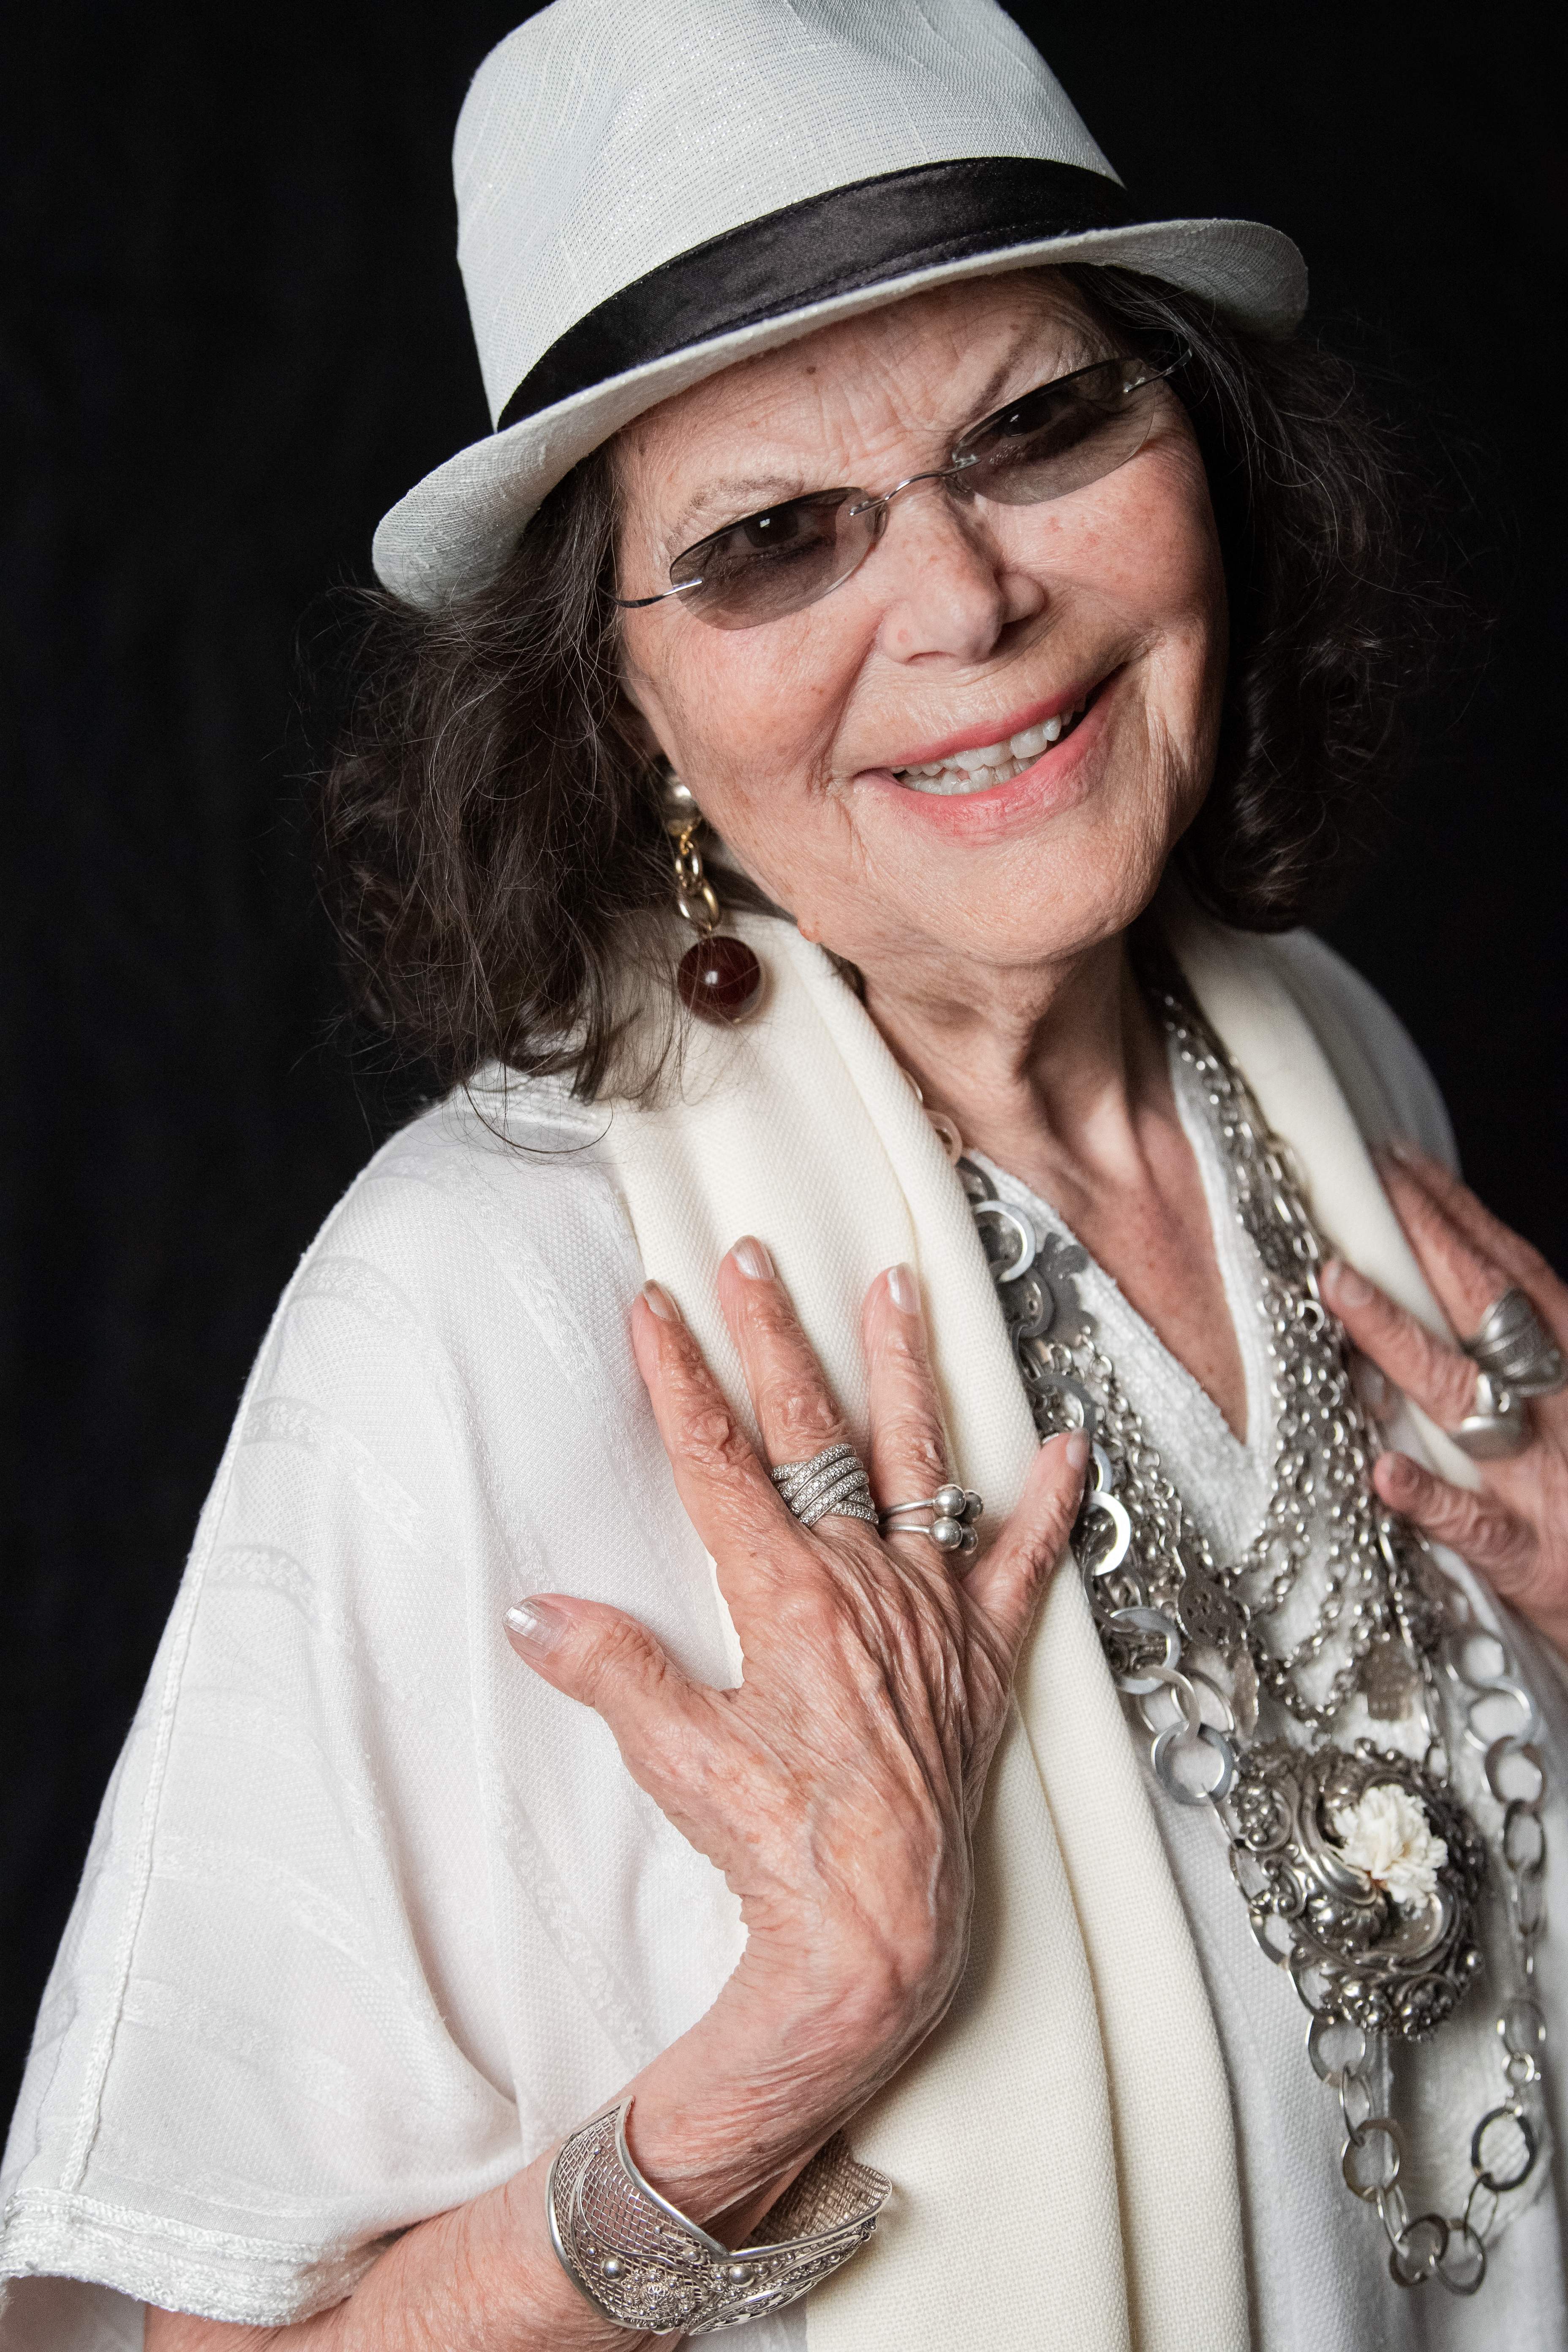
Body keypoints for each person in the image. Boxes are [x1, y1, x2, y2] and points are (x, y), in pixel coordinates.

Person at [4, 2, 1566, 2346]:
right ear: (613, 699)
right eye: (768, 542)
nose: (957, 605)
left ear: (1208, 458)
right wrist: (797, 2037)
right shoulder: (486, 1302)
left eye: (1039, 429)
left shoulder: (1337, 1068)